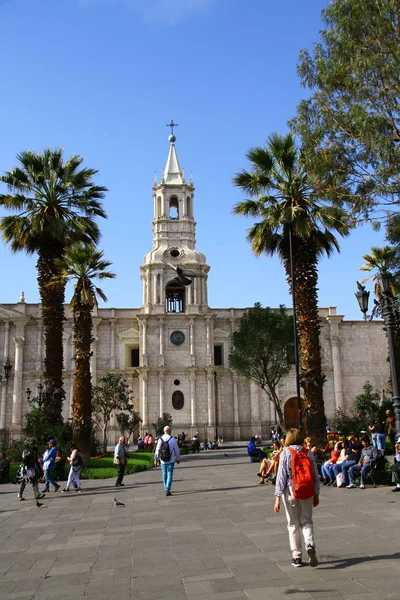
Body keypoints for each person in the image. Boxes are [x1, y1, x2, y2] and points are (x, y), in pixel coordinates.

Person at [274, 428, 320, 568]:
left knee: (293, 524)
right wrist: (316, 493)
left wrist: (277, 496)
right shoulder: (307, 452)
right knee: (307, 520)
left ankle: (297, 557)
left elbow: (281, 476)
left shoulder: (286, 453)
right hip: (307, 490)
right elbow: (315, 475)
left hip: (291, 491)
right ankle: (310, 544)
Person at [154, 425, 180, 496]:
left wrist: (156, 458)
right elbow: (176, 450)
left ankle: (165, 488)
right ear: (170, 431)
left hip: (163, 460)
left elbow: (157, 449)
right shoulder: (172, 439)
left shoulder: (160, 439)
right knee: (169, 474)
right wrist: (177, 458)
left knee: (164, 473)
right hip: (171, 459)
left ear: (164, 431)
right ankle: (167, 489)